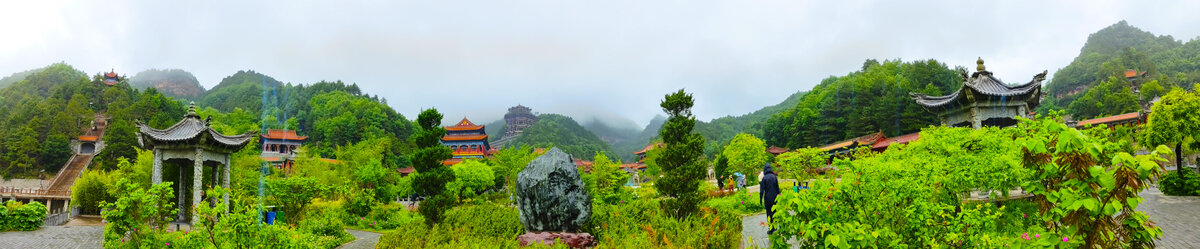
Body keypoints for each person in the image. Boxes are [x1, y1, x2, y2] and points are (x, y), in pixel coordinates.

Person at [759, 162, 780, 235]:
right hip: (775, 198)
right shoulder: (774, 177)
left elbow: (761, 191)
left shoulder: (764, 178)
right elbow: (777, 188)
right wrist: (779, 197)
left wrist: (760, 199)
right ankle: (775, 226)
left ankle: (771, 229)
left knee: (769, 214)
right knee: (774, 213)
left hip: (767, 199)